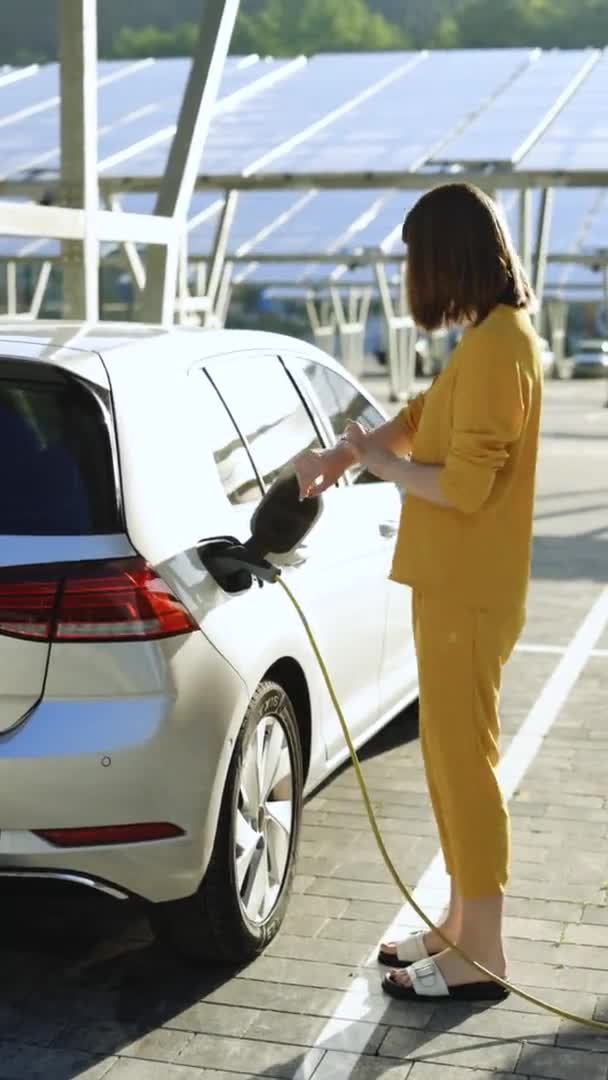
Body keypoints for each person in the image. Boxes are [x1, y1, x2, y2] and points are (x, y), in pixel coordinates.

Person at [293, 182, 542, 1004]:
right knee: (446, 760)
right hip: (450, 586)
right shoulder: (483, 342)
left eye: (413, 257)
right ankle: (457, 925)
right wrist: (348, 454)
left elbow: (465, 487)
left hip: (470, 592)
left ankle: (486, 952)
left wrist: (388, 470)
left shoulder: (504, 346)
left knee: (465, 765)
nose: (409, 273)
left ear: (446, 258)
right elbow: (418, 414)